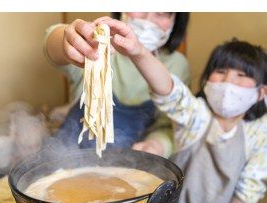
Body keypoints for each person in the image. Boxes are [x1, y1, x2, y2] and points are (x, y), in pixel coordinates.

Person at [92, 18, 266, 203]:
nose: (228, 81)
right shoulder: (196, 114)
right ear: (207, 80)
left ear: (261, 92)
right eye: (221, 71)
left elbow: (247, 191)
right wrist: (139, 52)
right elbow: (169, 91)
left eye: (241, 75)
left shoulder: (260, 132)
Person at [45, 13, 190, 158]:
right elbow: (51, 45)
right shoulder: (97, 45)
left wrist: (156, 145)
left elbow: (170, 125)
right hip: (69, 156)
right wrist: (67, 39)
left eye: (161, 12)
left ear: (176, 20)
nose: (147, 19)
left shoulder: (177, 65)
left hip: (131, 163)